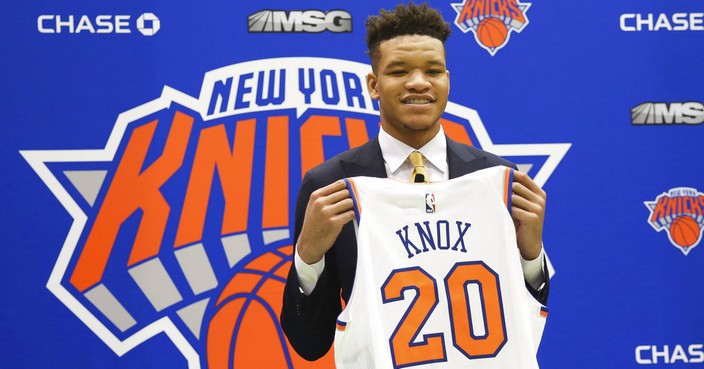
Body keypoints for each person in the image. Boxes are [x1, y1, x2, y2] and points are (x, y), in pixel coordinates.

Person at [281, 1, 551, 363]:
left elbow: (525, 320)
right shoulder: (331, 185)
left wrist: (532, 256)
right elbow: (309, 344)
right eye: (399, 71)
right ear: (374, 85)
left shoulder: (497, 178)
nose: (419, 82)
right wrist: (308, 258)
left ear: (447, 81)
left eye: (433, 70)